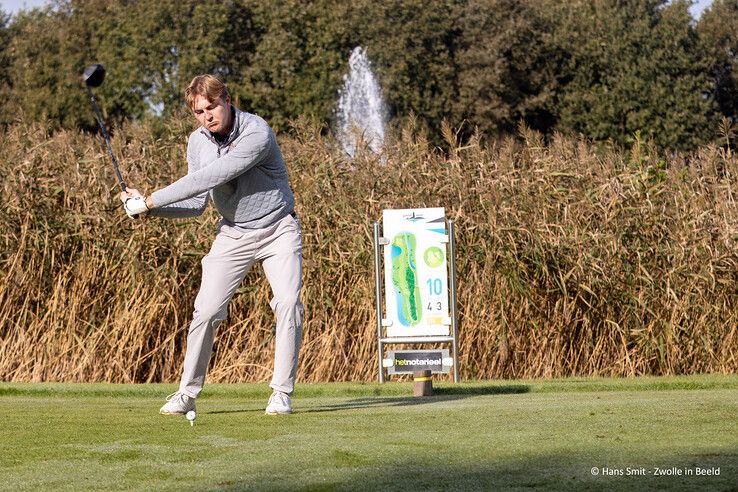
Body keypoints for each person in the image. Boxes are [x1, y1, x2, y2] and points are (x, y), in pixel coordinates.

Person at [121, 74, 303, 416]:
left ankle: (281, 393)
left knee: (288, 302)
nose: (207, 116)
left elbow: (212, 176)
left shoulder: (256, 132)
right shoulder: (198, 142)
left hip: (279, 228)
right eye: (199, 111)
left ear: (227, 100)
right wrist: (148, 209)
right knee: (206, 311)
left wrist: (148, 200)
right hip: (233, 233)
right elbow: (196, 203)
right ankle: (187, 394)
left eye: (213, 106)